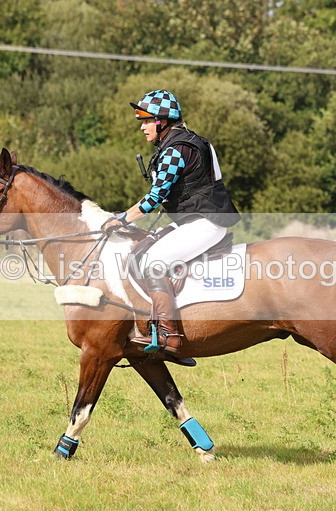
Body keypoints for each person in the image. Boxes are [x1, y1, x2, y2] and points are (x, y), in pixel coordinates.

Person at [101, 89, 241, 367]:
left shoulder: (177, 149)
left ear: (162, 121)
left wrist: (122, 219)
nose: (142, 127)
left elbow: (154, 198)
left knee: (153, 262)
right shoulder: (187, 142)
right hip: (199, 221)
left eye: (145, 120)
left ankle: (170, 337)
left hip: (205, 223)